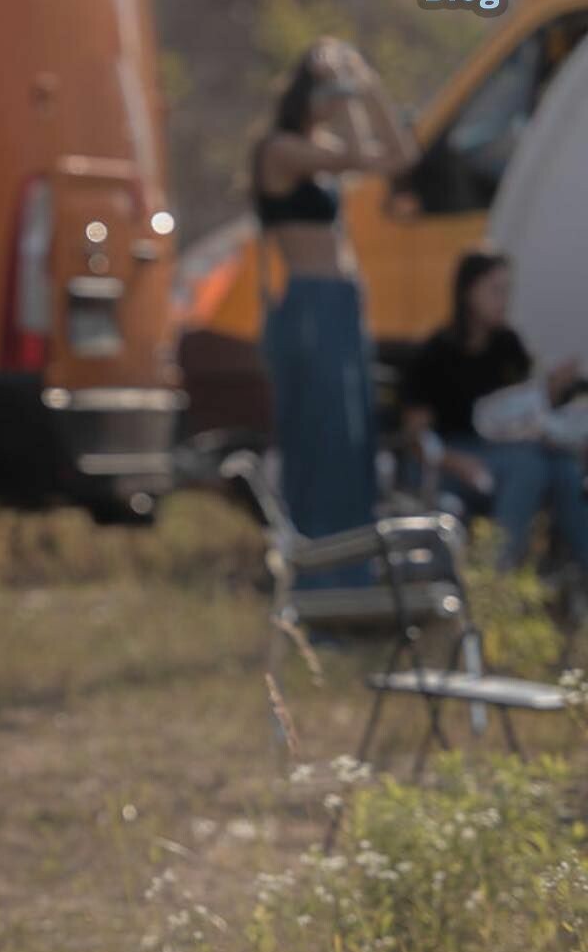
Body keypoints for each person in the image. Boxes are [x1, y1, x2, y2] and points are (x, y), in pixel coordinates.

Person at [250, 37, 419, 587]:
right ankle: (320, 578)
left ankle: (354, 571)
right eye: (326, 92)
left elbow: (400, 157)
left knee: (353, 439)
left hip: (342, 303)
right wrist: (345, 92)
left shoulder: (319, 146)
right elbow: (354, 155)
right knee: (322, 438)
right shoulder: (280, 149)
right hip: (310, 303)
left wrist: (368, 86)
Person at [400, 249, 588, 575]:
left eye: (507, 291)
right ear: (468, 292)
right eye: (496, 290)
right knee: (529, 466)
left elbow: (527, 409)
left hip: (505, 452)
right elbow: (417, 437)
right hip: (450, 459)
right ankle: (495, 574)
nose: (504, 300)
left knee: (563, 468)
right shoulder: (437, 353)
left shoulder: (508, 345)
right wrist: (457, 462)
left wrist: (553, 391)